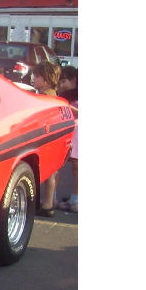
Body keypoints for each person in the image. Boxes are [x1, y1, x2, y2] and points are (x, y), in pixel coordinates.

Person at [31, 61, 61, 217]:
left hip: (45, 137)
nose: (33, 79)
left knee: (44, 171)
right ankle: (49, 203)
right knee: (52, 172)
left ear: (47, 80)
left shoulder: (44, 96)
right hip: (54, 136)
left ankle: (46, 204)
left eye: (37, 76)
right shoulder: (54, 94)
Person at [57, 66, 78, 212]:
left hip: (77, 134)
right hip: (67, 134)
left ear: (74, 80)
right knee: (58, 165)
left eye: (64, 81)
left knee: (77, 167)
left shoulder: (74, 97)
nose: (61, 85)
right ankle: (53, 197)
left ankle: (76, 199)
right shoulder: (64, 97)